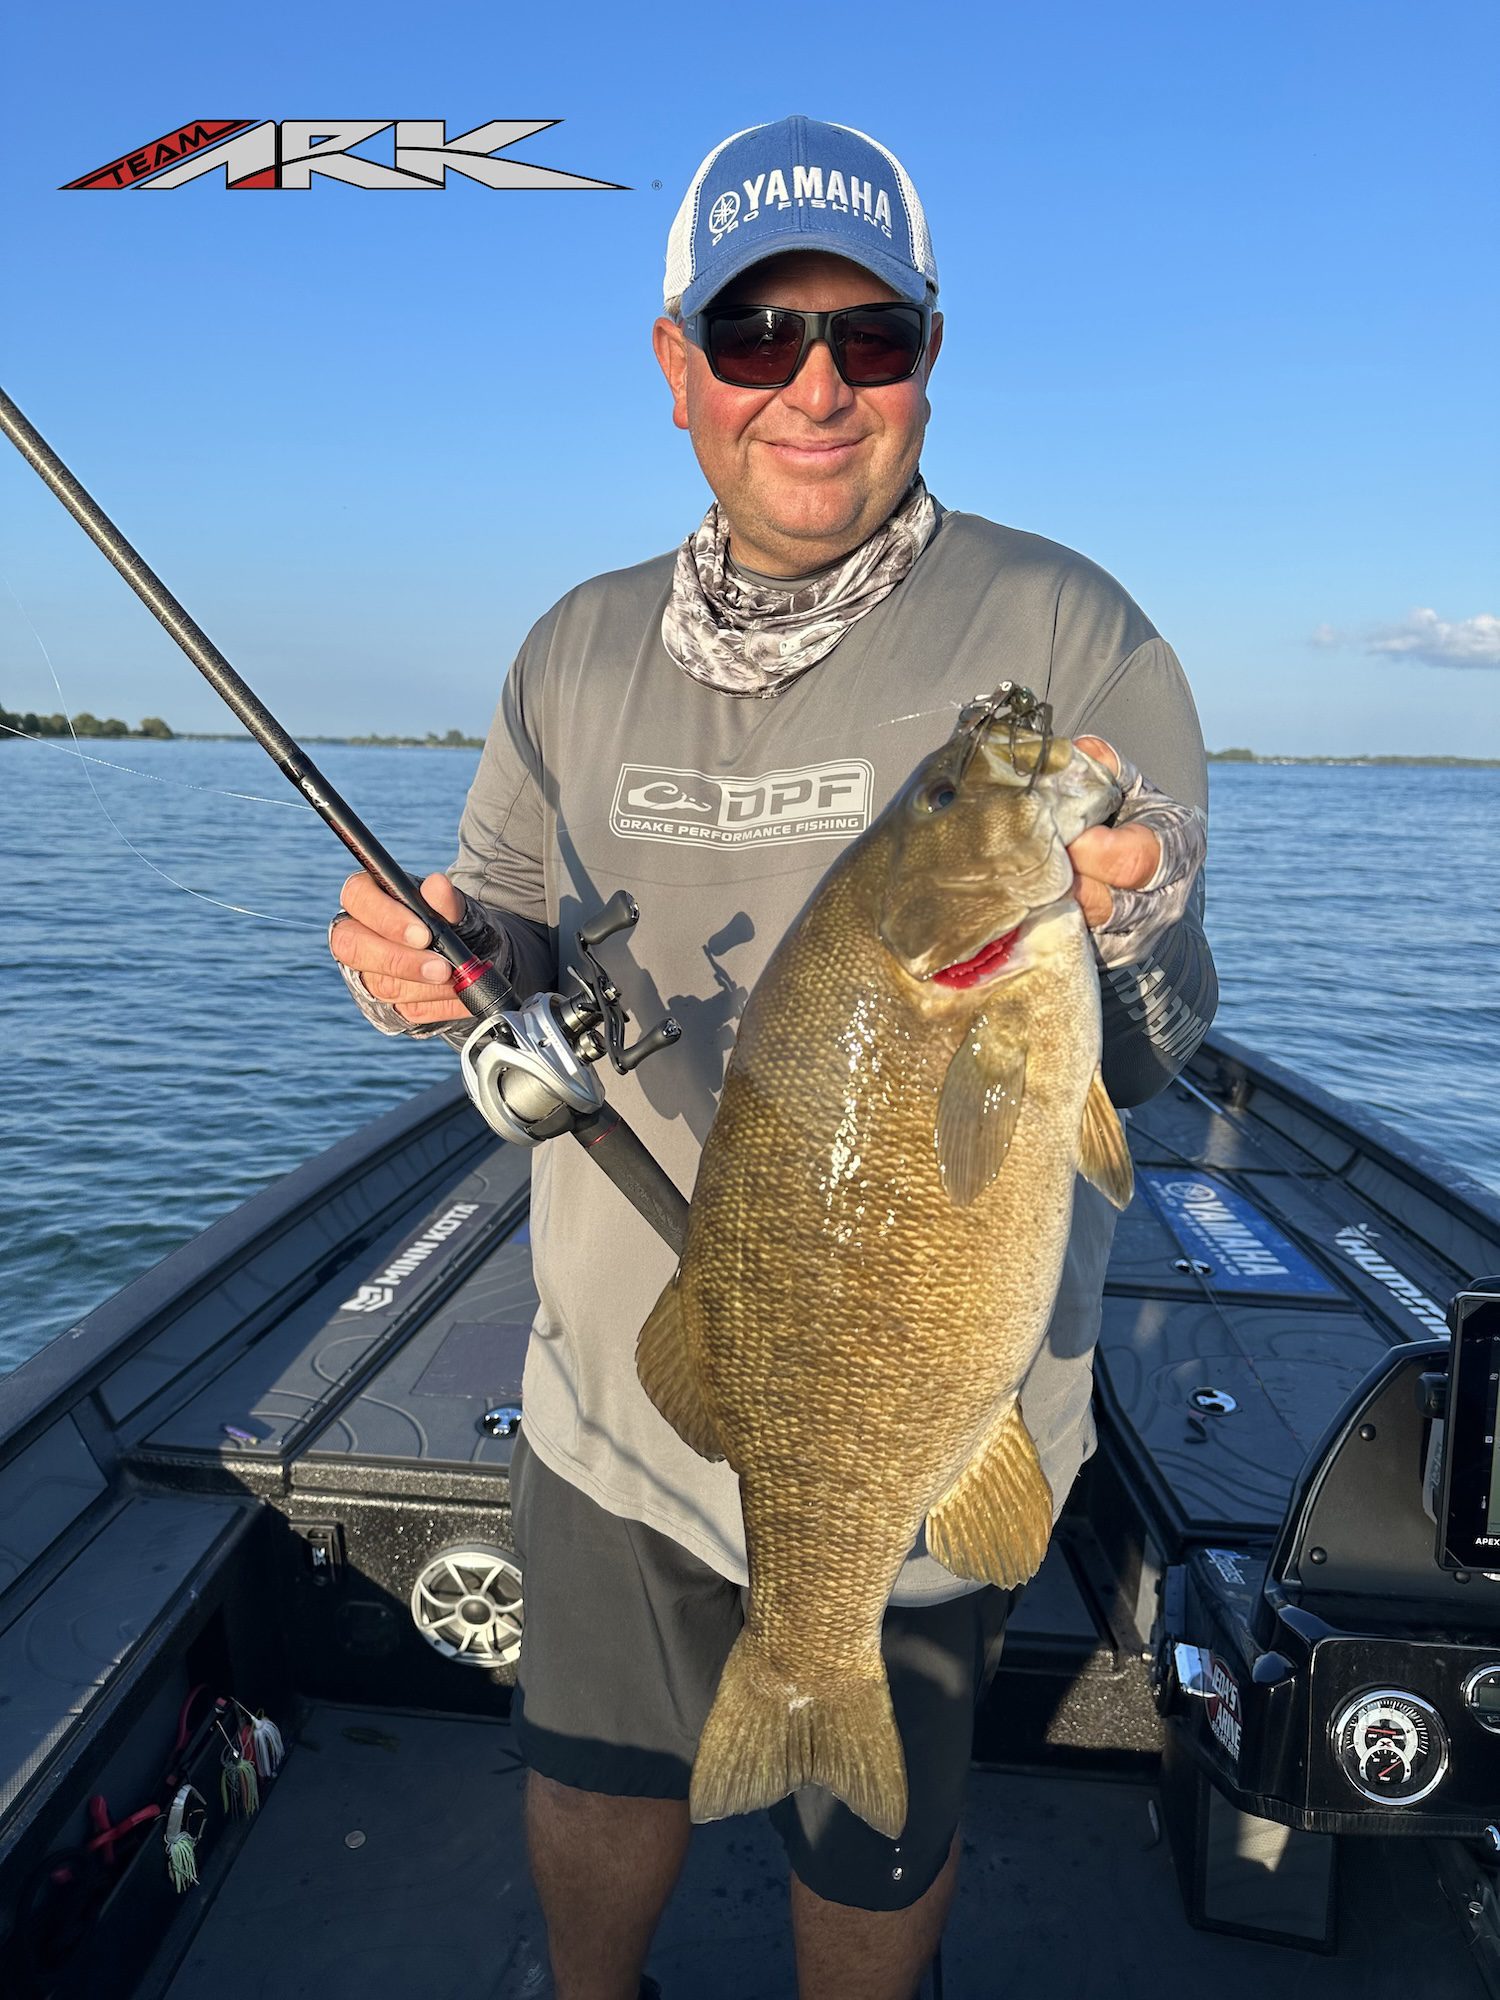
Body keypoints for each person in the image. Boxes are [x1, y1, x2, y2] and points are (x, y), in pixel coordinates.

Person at [330, 115, 1216, 2000]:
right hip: (621, 1378)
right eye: (756, 335)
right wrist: (441, 966)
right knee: (593, 1763)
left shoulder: (1070, 627)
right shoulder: (573, 650)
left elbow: (1152, 1058)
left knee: (871, 1821)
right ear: (678, 368)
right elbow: (510, 927)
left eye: (866, 336)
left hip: (928, 1391)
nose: (814, 386)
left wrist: (1129, 922)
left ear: (929, 354)